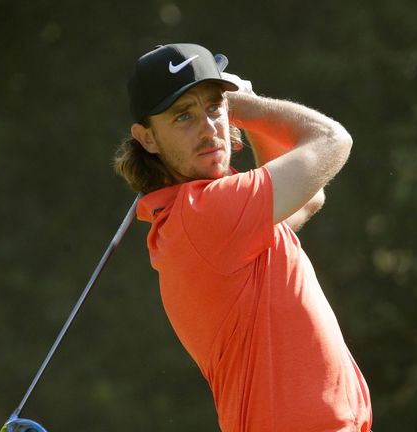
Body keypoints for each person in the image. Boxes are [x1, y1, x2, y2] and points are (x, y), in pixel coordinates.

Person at [113, 43, 372, 432]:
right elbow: (332, 140)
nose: (208, 127)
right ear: (147, 139)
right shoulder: (205, 215)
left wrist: (240, 112)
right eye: (183, 116)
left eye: (213, 107)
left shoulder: (209, 218)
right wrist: (248, 107)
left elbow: (308, 198)